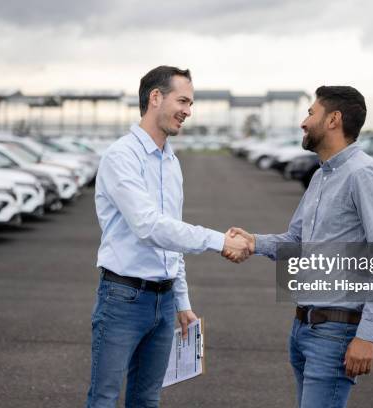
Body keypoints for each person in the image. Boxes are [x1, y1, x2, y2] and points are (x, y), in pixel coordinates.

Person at [86, 65, 250, 408]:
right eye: (183, 101)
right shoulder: (122, 156)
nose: (188, 111)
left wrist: (182, 301)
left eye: (191, 104)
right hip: (122, 298)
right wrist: (218, 240)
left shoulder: (170, 162)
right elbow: (149, 227)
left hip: (163, 304)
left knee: (147, 400)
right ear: (155, 97)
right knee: (103, 399)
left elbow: (171, 240)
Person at [225, 86, 373, 408]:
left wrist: (368, 335)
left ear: (333, 119)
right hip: (303, 328)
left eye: (310, 113)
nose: (304, 122)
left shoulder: (364, 174)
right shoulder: (321, 177)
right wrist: (254, 242)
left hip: (335, 332)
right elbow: (297, 242)